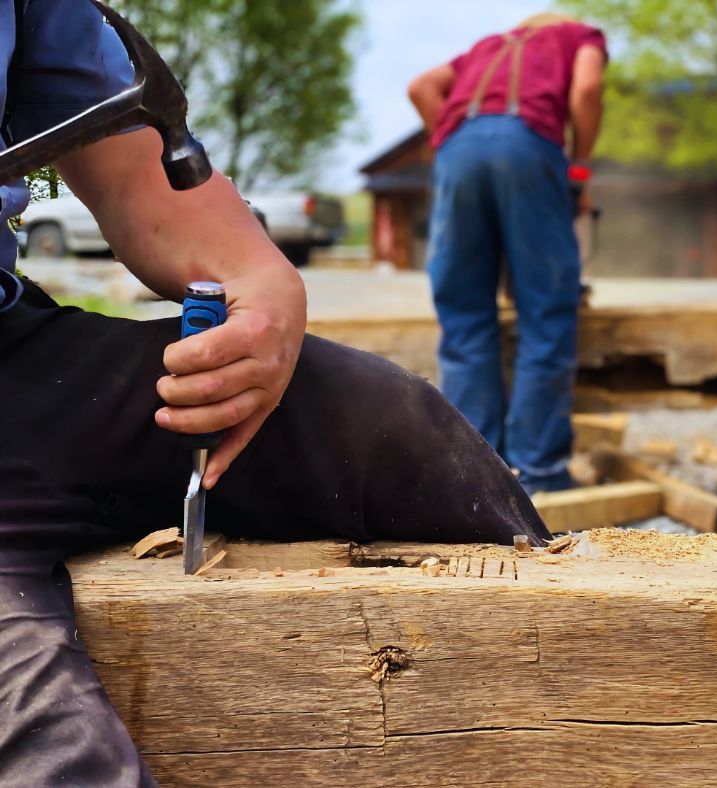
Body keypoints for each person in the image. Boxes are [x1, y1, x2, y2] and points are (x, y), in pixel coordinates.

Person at [0, 3, 550, 785]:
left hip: (14, 364)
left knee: (385, 425)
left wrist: (260, 283)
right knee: (57, 760)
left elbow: (134, 160)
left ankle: (580, 659)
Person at [408, 12, 607, 495]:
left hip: (458, 151)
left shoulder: (486, 46)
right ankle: (539, 472)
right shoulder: (581, 35)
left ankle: (473, 472)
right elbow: (585, 90)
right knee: (546, 309)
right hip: (529, 142)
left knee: (464, 311)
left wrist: (459, 143)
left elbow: (420, 88)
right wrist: (578, 165)